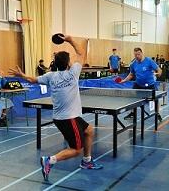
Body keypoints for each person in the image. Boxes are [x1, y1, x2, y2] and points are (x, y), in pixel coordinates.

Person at [8, 35, 103, 181]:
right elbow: (81, 53)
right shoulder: (73, 73)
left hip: (67, 116)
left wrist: (22, 75)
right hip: (68, 118)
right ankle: (50, 160)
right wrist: (70, 40)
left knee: (89, 130)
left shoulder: (50, 76)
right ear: (68, 64)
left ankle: (87, 161)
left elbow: (33, 80)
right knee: (76, 149)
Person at [120, 47, 162, 120]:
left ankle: (157, 113)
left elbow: (159, 70)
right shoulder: (133, 64)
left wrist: (159, 74)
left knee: (155, 99)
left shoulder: (149, 61)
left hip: (150, 85)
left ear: (142, 53)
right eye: (135, 55)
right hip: (138, 84)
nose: (137, 56)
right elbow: (131, 74)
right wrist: (124, 80)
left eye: (138, 54)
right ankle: (132, 113)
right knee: (133, 99)